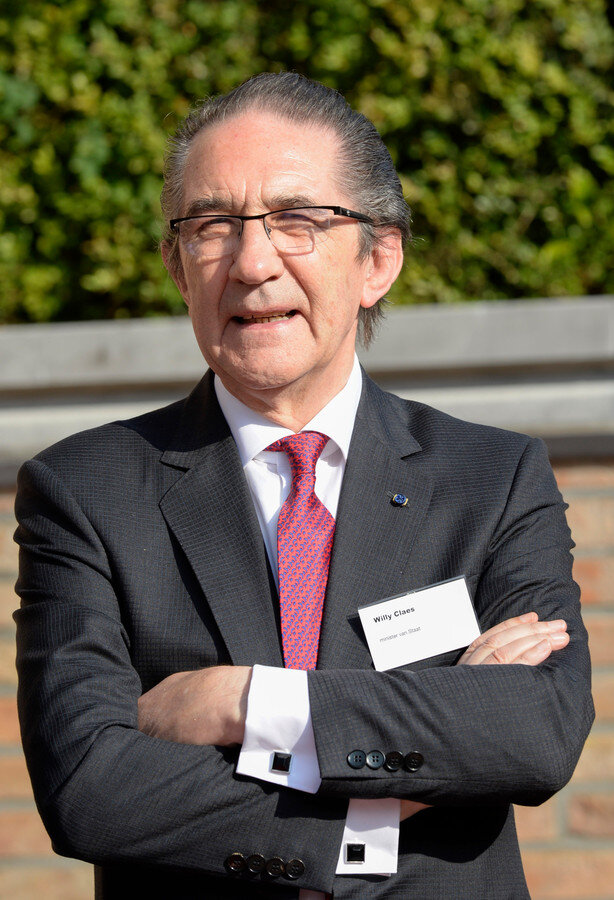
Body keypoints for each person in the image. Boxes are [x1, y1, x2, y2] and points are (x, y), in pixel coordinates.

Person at [14, 73, 593, 900]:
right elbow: (91, 788)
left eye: (298, 221)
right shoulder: (86, 490)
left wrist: (245, 703)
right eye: (213, 226)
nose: (253, 263)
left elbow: (533, 733)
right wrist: (387, 797)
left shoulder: (492, 479)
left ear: (377, 260)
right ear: (178, 267)